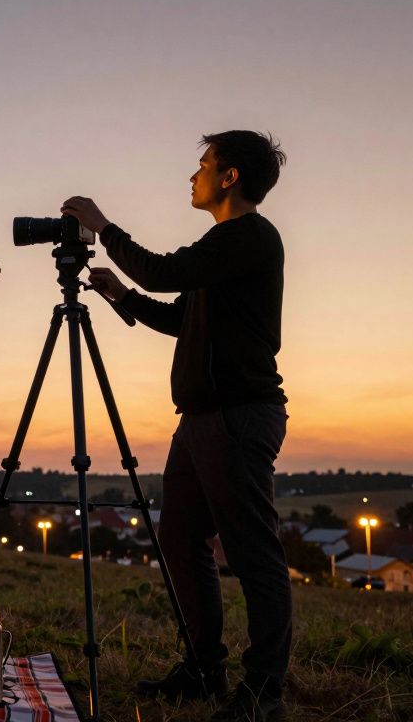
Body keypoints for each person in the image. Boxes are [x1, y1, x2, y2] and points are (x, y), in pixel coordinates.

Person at [62, 130, 289, 722]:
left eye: (203, 165)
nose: (193, 176)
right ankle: (204, 669)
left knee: (254, 554)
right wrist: (119, 295)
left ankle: (263, 692)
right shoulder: (224, 248)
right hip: (202, 421)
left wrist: (104, 227)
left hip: (238, 417)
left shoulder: (249, 237)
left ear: (230, 176)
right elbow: (176, 315)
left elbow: (163, 272)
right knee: (181, 542)